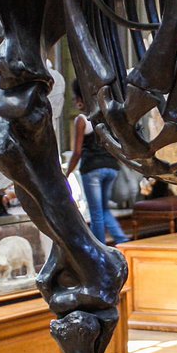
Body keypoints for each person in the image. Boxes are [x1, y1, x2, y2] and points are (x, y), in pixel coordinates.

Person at [66, 80, 128, 245]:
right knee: (105, 209)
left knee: (96, 213)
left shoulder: (82, 119)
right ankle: (122, 241)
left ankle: (100, 247)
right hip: (111, 167)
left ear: (81, 99)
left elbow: (77, 152)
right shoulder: (105, 116)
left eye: (74, 98)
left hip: (92, 169)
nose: (74, 102)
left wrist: (66, 173)